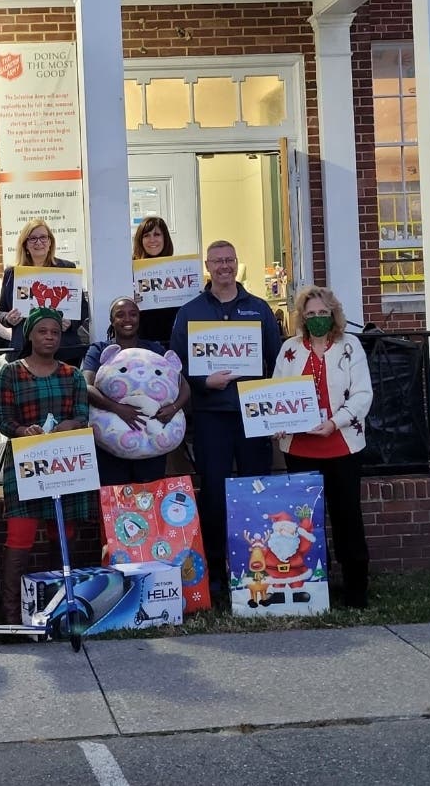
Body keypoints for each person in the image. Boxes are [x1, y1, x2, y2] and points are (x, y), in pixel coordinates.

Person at [170, 240, 281, 597]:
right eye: (216, 261)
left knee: (254, 491)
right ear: (207, 265)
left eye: (229, 260)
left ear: (236, 263)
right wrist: (204, 382)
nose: (223, 267)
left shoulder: (259, 309)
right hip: (210, 417)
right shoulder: (189, 312)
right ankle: (216, 577)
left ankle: (255, 575)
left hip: (253, 416)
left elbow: (277, 362)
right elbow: (177, 367)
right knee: (215, 496)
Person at [272, 285, 373, 608]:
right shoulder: (290, 349)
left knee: (346, 516)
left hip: (341, 444)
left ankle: (356, 588)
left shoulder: (350, 346)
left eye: (323, 313)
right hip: (300, 449)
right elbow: (276, 393)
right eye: (311, 314)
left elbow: (362, 395)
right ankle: (315, 586)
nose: (317, 319)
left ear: (333, 315)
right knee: (306, 522)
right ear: (302, 317)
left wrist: (336, 421)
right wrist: (274, 423)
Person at [0, 307, 92, 623]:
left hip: (65, 465)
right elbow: (3, 419)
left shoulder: (72, 374)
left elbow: (82, 414)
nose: (49, 337)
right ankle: (11, 614)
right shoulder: (11, 373)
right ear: (30, 335)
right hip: (25, 465)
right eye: (42, 331)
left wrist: (72, 424)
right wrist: (23, 430)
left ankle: (58, 606)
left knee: (63, 535)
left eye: (54, 332)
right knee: (19, 536)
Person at [83, 297, 188, 487]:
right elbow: (86, 387)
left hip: (151, 441)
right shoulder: (99, 350)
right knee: (115, 492)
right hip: (112, 442)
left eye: (133, 314)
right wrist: (118, 409)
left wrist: (173, 408)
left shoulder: (154, 348)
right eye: (120, 315)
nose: (127, 319)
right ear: (112, 320)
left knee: (150, 492)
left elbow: (183, 385)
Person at [0, 219, 90, 363]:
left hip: (63, 350)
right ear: (25, 244)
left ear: (50, 242)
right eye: (32, 238)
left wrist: (71, 323)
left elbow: (82, 308)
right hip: (24, 351)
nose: (38, 242)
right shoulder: (12, 273)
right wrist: (8, 318)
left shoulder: (67, 269)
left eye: (43, 237)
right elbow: (1, 311)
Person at [131, 215, 179, 345]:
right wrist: (129, 299)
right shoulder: (129, 270)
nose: (152, 240)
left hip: (172, 337)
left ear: (165, 238)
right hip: (141, 338)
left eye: (157, 234)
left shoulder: (178, 268)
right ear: (140, 240)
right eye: (146, 235)